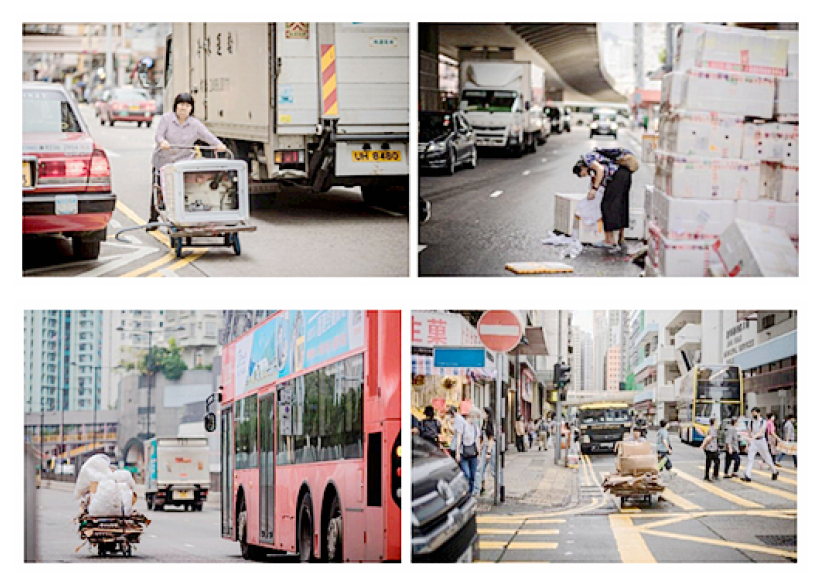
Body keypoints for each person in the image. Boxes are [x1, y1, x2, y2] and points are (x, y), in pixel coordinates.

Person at [150, 92, 226, 223]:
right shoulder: (167, 119)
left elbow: (208, 136)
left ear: (191, 108)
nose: (183, 108)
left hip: (182, 163)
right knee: (158, 188)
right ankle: (153, 218)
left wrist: (219, 145)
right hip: (164, 160)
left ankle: (181, 215)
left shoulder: (195, 124)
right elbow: (159, 135)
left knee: (182, 189)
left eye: (187, 105)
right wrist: (162, 142)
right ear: (175, 106)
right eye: (181, 104)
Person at [572, 149, 633, 251]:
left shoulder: (588, 158)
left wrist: (594, 189)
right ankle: (620, 238)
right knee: (621, 205)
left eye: (582, 174)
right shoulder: (591, 163)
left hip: (617, 176)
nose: (585, 175)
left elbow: (600, 170)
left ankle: (610, 240)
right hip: (623, 175)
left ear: (581, 167)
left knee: (607, 206)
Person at [742, 408, 779, 482]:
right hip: (753, 442)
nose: (753, 415)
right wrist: (747, 444)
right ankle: (747, 475)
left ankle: (774, 471)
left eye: (754, 413)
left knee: (767, 458)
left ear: (758, 413)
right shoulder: (751, 422)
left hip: (761, 441)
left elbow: (761, 432)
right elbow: (749, 432)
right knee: (750, 458)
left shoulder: (763, 422)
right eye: (752, 413)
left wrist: (752, 437)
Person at [474, 408, 496, 496]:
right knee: (479, 469)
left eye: (483, 412)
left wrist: (489, 452)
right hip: (485, 448)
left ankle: (498, 489)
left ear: (487, 414)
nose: (482, 414)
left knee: (493, 470)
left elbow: (491, 439)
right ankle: (477, 490)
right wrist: (479, 448)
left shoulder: (490, 424)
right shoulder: (484, 424)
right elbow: (481, 438)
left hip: (491, 448)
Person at [458, 412, 481, 495]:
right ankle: (466, 491)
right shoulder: (463, 426)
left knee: (473, 475)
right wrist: (457, 453)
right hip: (463, 453)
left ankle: (470, 493)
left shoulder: (476, 428)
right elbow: (459, 439)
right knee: (467, 474)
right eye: (475, 417)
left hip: (473, 454)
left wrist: (479, 453)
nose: (475, 419)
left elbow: (477, 440)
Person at [700, 417, 720, 481]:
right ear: (714, 422)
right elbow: (709, 438)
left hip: (710, 448)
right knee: (715, 462)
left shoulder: (710, 428)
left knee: (709, 462)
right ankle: (713, 475)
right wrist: (703, 445)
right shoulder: (713, 429)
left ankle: (707, 476)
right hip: (711, 448)